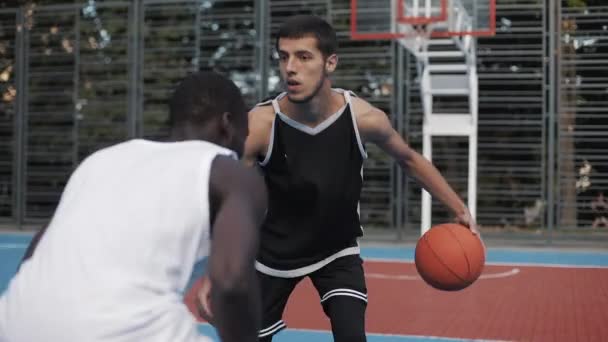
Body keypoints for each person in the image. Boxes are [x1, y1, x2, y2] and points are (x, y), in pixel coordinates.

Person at [198, 15, 480, 342]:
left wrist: (459, 209)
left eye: (304, 57)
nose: (290, 67)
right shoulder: (261, 125)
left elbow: (409, 159)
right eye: (284, 56)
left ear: (330, 63)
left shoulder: (364, 118)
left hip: (336, 250)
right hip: (273, 255)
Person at [0, 71, 267, 342]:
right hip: (122, 329)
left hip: (16, 323)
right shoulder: (232, 174)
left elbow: (38, 251)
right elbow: (232, 280)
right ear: (228, 124)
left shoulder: (101, 161)